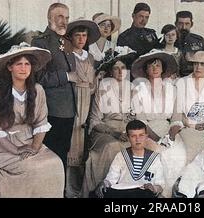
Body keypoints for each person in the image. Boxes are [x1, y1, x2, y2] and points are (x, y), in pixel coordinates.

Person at [0, 43, 64, 197]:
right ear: (9, 67)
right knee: (32, 167)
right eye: (19, 64)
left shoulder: (37, 90)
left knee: (55, 163)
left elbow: (41, 123)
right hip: (2, 146)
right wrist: (16, 150)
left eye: (27, 64)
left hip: (28, 141)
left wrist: (34, 147)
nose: (23, 68)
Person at [81, 46, 138, 197]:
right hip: (106, 129)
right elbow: (94, 120)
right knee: (112, 146)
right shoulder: (103, 87)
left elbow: (137, 116)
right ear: (110, 71)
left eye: (123, 68)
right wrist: (114, 132)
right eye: (116, 68)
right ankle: (105, 190)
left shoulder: (133, 88)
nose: (120, 72)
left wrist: (130, 131)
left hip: (129, 130)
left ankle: (129, 190)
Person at [130, 49, 181, 197]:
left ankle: (172, 192)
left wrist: (170, 136)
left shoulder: (172, 89)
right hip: (147, 131)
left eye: (157, 65)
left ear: (163, 68)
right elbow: (140, 121)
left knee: (178, 152)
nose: (154, 68)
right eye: (151, 66)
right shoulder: (138, 90)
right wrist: (157, 139)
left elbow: (177, 117)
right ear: (146, 69)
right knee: (160, 152)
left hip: (169, 128)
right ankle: (157, 192)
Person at [31, 3, 76, 171]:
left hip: (69, 109)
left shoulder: (67, 41)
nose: (64, 21)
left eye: (67, 17)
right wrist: (66, 76)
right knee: (50, 157)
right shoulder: (41, 42)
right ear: (50, 18)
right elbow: (37, 76)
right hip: (51, 110)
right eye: (60, 17)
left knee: (62, 155)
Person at [169, 49, 204, 165]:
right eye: (195, 64)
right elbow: (177, 109)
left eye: (202, 64)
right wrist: (191, 125)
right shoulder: (182, 82)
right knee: (189, 146)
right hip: (187, 127)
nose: (198, 67)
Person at [64, 19, 100, 198]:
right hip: (73, 98)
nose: (81, 39)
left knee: (83, 144)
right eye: (77, 35)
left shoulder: (90, 57)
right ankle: (69, 190)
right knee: (72, 144)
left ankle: (81, 188)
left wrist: (94, 82)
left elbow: (92, 84)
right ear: (71, 37)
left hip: (87, 100)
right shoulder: (68, 55)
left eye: (84, 35)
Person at [95, 120, 165, 198]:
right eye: (133, 136)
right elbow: (111, 179)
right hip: (122, 193)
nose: (138, 140)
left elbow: (160, 184)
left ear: (146, 136)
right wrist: (104, 183)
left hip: (144, 193)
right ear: (128, 137)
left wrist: (154, 188)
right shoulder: (121, 155)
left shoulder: (155, 157)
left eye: (141, 135)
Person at [174, 11, 204, 77]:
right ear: (176, 24)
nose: (184, 27)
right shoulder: (168, 41)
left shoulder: (199, 40)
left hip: (194, 78)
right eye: (180, 24)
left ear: (191, 24)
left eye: (187, 24)